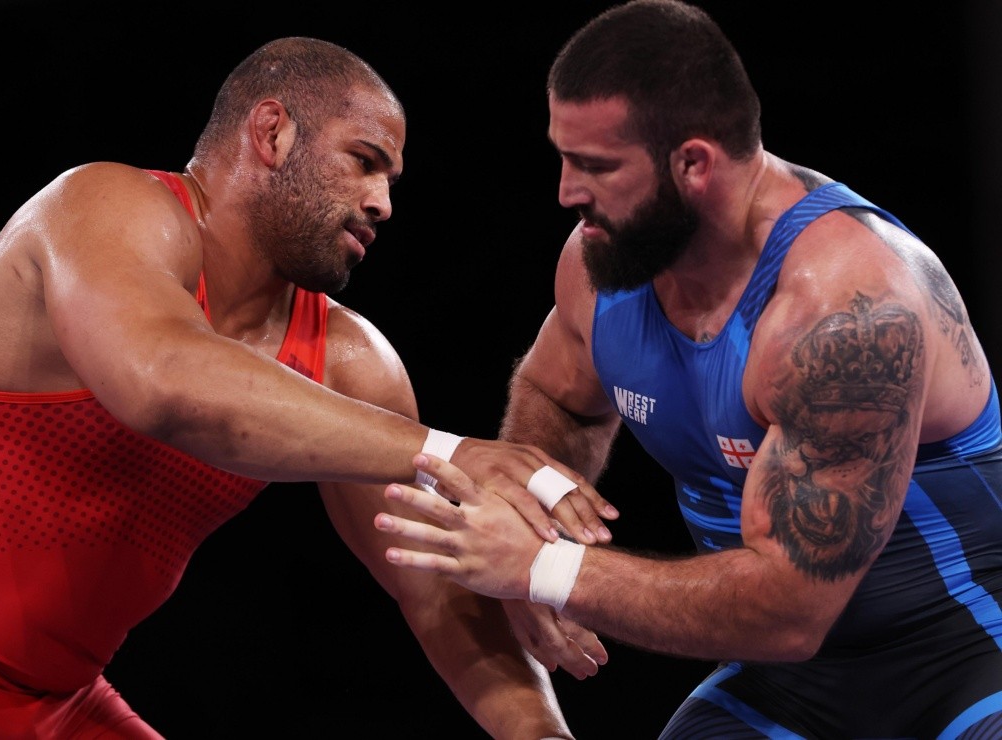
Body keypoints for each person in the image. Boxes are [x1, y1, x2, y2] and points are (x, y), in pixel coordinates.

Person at [0, 36, 612, 738]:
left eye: (391, 179)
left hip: (56, 702)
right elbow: (160, 380)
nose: (383, 202)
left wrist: (539, 730)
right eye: (364, 162)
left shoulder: (348, 358)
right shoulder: (104, 207)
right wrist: (447, 450)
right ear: (272, 131)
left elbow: (434, 589)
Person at [374, 1, 1002, 737]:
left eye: (596, 167)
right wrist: (532, 501)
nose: (566, 193)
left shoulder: (846, 312)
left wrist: (540, 570)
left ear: (693, 164)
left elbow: (791, 610)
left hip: (965, 663)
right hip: (786, 689)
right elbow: (559, 396)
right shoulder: (600, 267)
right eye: (564, 158)